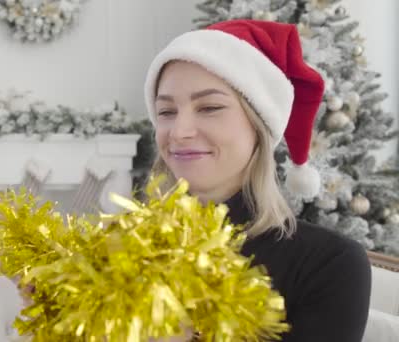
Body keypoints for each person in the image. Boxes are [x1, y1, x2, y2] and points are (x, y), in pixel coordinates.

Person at [144, 19, 371, 341]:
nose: (180, 131)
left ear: (258, 124)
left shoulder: (329, 262)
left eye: (209, 107)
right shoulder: (122, 245)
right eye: (166, 112)